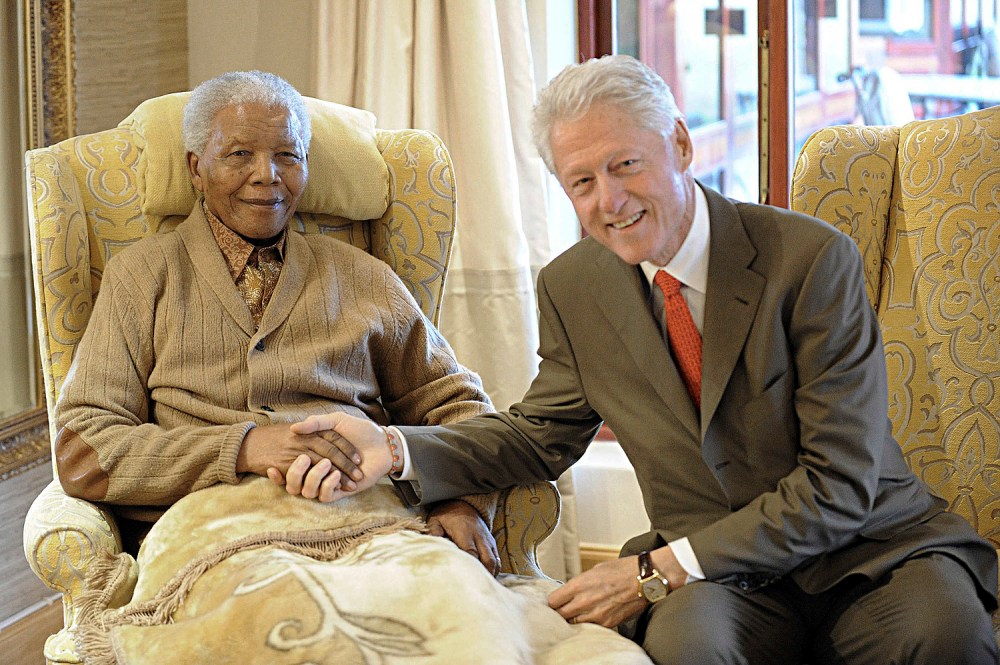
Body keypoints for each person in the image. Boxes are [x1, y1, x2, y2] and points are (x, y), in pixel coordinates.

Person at [286, 55, 1000, 664]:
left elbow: (839, 483)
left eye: (625, 164)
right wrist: (391, 448)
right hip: (725, 582)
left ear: (681, 145)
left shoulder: (811, 259)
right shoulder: (573, 286)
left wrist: (659, 568)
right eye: (583, 181)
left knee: (948, 632)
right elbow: (540, 434)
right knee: (689, 649)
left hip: (870, 552)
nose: (610, 200)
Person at [53, 70, 501, 573]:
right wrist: (244, 447)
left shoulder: (367, 277)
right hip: (211, 541)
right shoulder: (139, 277)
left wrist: (459, 501)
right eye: (239, 153)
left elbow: (462, 409)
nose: (267, 174)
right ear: (196, 169)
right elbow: (84, 450)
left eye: (287, 155)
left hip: (371, 527)